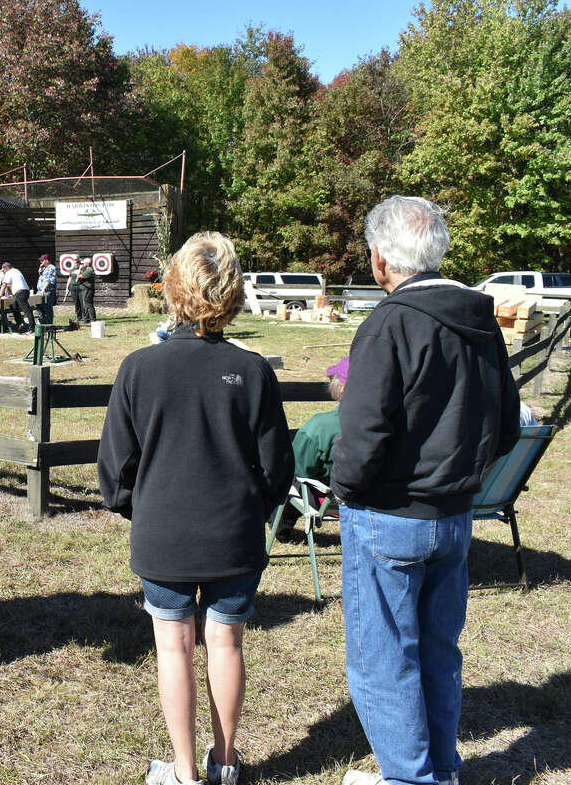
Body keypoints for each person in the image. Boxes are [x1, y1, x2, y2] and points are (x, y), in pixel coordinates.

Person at [331, 196, 520, 785]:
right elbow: (507, 423)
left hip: (390, 513)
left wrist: (344, 489)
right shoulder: (480, 319)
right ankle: (441, 769)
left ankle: (412, 778)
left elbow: (362, 432)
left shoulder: (389, 321)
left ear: (382, 258)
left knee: (384, 662)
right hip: (455, 516)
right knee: (437, 654)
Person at [98, 232, 293, 785]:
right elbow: (277, 468)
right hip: (234, 536)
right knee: (225, 642)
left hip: (163, 537)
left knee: (174, 648)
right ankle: (225, 764)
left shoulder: (139, 368)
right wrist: (254, 503)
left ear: (173, 287)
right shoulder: (253, 372)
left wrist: (145, 505)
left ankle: (184, 772)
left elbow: (114, 470)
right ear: (231, 292)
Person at [292, 357, 349, 483]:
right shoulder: (392, 420)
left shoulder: (320, 427)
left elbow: (300, 469)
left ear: (342, 388)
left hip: (329, 497)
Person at [1, 261, 35, 332]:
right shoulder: (16, 271)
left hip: (21, 293)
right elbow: (16, 283)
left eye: (3, 270)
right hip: (24, 291)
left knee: (27, 310)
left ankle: (32, 327)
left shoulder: (9, 273)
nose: (3, 271)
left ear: (7, 268)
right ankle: (19, 324)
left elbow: (4, 285)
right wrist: (13, 294)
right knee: (13, 306)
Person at [35, 254, 57, 325]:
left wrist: (43, 289)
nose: (41, 261)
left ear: (46, 260)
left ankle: (49, 322)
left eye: (42, 260)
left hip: (47, 290)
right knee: (36, 304)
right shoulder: (44, 268)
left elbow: (50, 280)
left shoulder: (52, 268)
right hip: (40, 290)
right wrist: (40, 268)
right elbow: (40, 275)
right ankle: (42, 320)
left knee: (47, 306)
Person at [76, 256, 97, 323]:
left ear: (88, 263)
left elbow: (78, 278)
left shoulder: (89, 270)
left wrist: (79, 269)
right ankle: (87, 319)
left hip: (87, 289)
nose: (83, 264)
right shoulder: (87, 270)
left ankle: (92, 319)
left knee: (88, 304)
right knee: (86, 304)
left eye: (84, 263)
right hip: (86, 289)